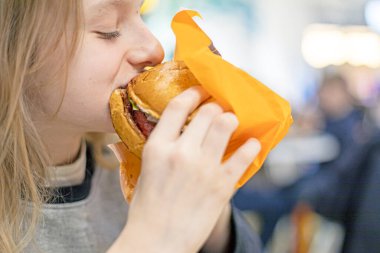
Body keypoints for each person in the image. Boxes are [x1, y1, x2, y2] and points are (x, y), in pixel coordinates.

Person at [0, 1, 262, 253]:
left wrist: (210, 221)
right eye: (108, 30)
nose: (154, 48)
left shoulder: (136, 164)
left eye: (140, 14)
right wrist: (151, 241)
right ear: (10, 46)